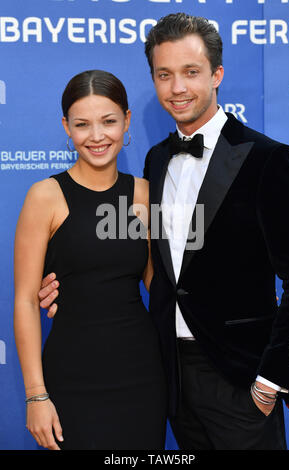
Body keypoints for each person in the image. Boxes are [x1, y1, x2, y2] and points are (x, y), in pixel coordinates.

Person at [39, 14, 289, 450]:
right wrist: (73, 287)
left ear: (217, 75)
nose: (177, 88)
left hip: (241, 379)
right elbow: (150, 264)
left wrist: (271, 380)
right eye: (164, 74)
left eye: (190, 72)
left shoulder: (268, 160)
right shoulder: (156, 161)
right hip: (167, 378)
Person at [14, 69, 167, 450]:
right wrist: (36, 395)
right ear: (66, 127)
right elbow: (25, 301)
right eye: (82, 124)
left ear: (127, 120)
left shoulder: (146, 194)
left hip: (142, 375)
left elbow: (161, 285)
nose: (97, 136)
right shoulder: (45, 196)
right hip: (71, 376)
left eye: (109, 121)